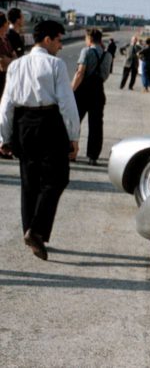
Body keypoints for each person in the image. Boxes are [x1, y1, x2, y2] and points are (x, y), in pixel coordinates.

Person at [0, 20, 80, 261]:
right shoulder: (55, 65)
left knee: (29, 180)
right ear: (47, 39)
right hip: (49, 123)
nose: (60, 46)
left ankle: (30, 230)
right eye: (58, 40)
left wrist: (3, 136)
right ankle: (36, 231)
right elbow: (67, 103)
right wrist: (73, 136)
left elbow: (7, 102)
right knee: (58, 177)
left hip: (23, 125)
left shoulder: (16, 65)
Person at [71, 28, 112, 165]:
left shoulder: (86, 51)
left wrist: (71, 90)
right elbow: (105, 75)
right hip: (98, 92)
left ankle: (71, 151)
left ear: (89, 39)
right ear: (100, 39)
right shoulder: (108, 55)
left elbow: (80, 73)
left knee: (75, 121)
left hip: (83, 91)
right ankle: (93, 156)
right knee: (96, 125)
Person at [0, 12, 17, 102]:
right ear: (3, 24)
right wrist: (12, 60)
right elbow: (2, 64)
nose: (8, 24)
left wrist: (9, 60)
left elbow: (15, 57)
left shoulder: (6, 39)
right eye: (7, 22)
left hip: (8, 78)